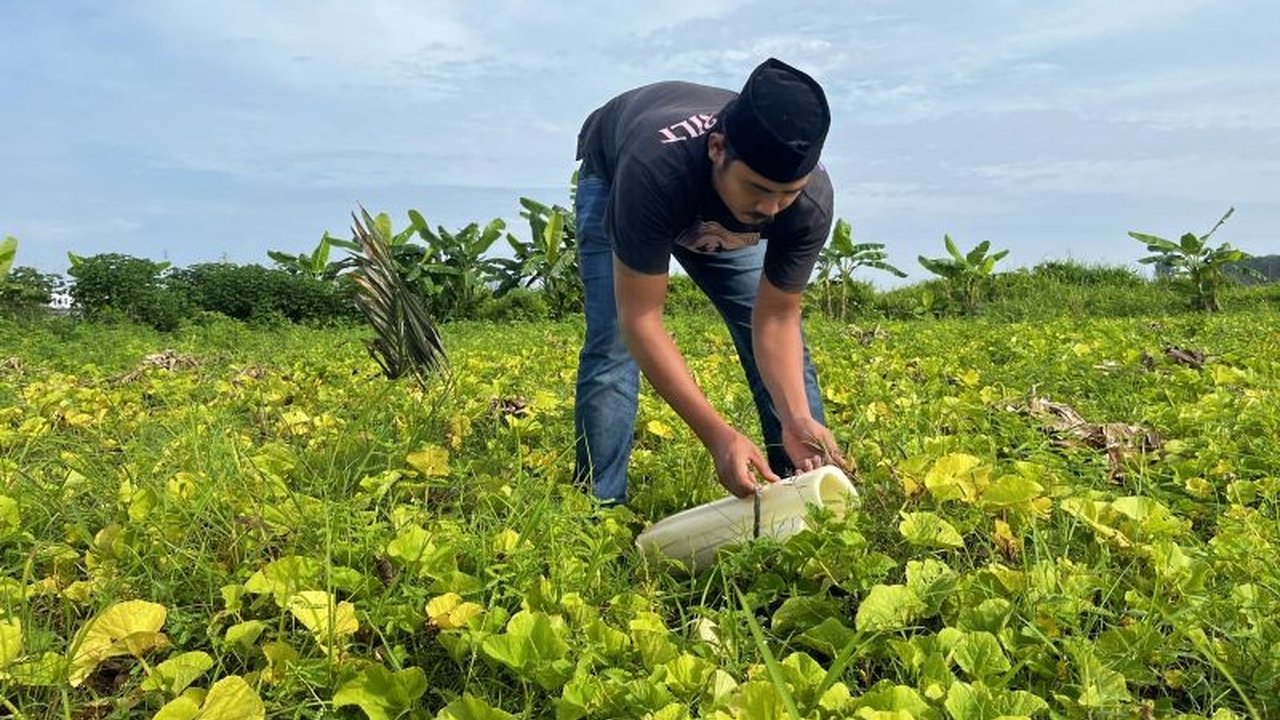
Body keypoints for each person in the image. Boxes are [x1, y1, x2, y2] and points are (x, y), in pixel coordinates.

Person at [573, 57, 844, 506]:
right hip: (617, 168)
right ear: (717, 148)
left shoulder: (809, 202)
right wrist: (718, 437)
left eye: (787, 193)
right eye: (758, 188)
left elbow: (775, 317)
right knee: (612, 343)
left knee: (782, 352)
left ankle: (803, 493)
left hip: (705, 198)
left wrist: (795, 416)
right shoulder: (653, 171)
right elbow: (640, 319)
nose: (771, 209)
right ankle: (598, 510)